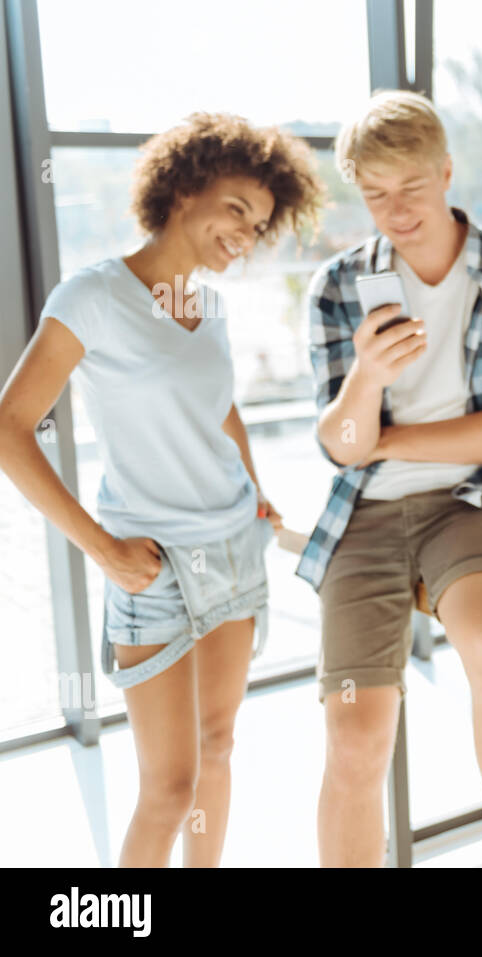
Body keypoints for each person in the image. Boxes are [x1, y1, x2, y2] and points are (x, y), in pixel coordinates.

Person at [0, 113, 323, 866]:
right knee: (168, 788)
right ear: (182, 187)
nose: (244, 235)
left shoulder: (206, 305)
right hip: (152, 566)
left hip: (238, 552)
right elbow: (11, 427)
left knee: (219, 749)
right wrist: (102, 550)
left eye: (260, 225)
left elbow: (221, 408)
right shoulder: (91, 296)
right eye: (236, 209)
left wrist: (257, 489)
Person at [299, 90, 482, 868]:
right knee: (355, 730)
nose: (395, 210)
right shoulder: (337, 286)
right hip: (364, 515)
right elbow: (343, 448)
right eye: (374, 194)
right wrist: (367, 380)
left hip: (472, 501)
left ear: (446, 171)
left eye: (410, 188)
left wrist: (394, 440)